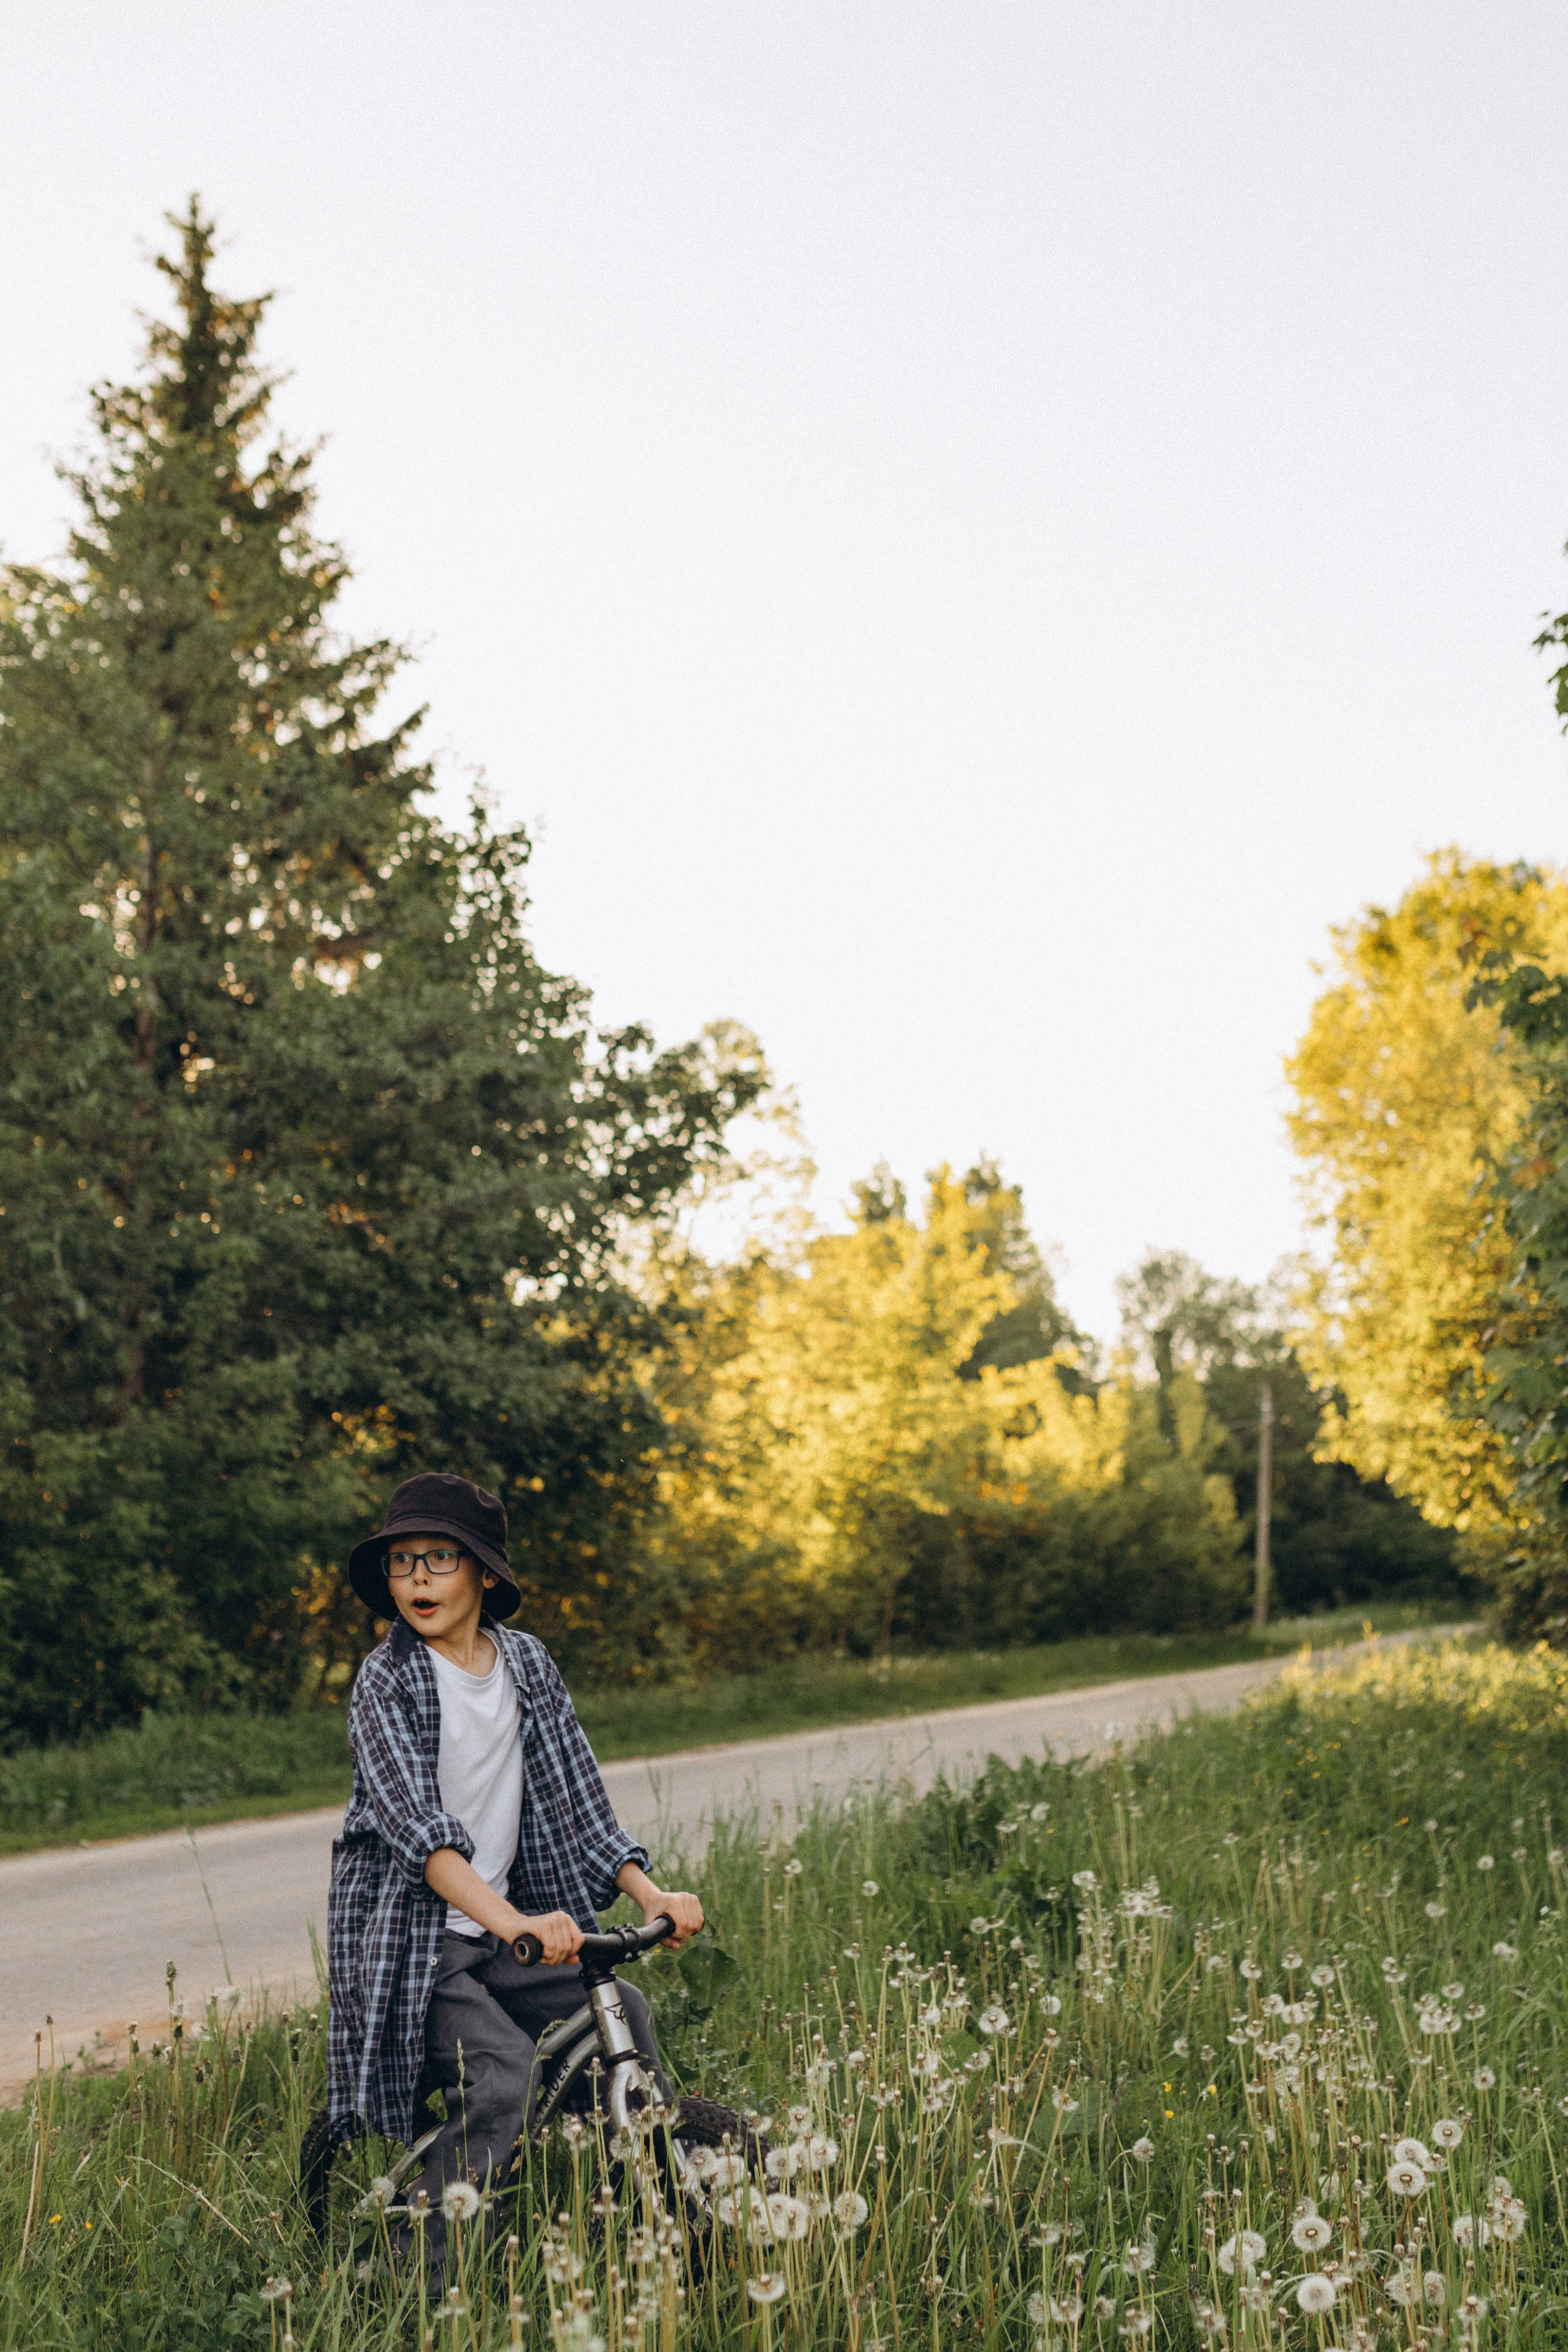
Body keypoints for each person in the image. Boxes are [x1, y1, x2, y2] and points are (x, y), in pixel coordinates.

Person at [326, 1471, 702, 2270]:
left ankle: (635, 2206)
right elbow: (419, 1835)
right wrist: (516, 1923)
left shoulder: (526, 1665)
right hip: (413, 1948)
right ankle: (407, 2281)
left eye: (439, 1559)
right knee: (501, 2082)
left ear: (485, 1574)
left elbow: (580, 1800)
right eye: (402, 1562)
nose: (417, 1579)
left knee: (622, 2012)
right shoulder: (387, 1682)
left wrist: (650, 1891)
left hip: (506, 1933)